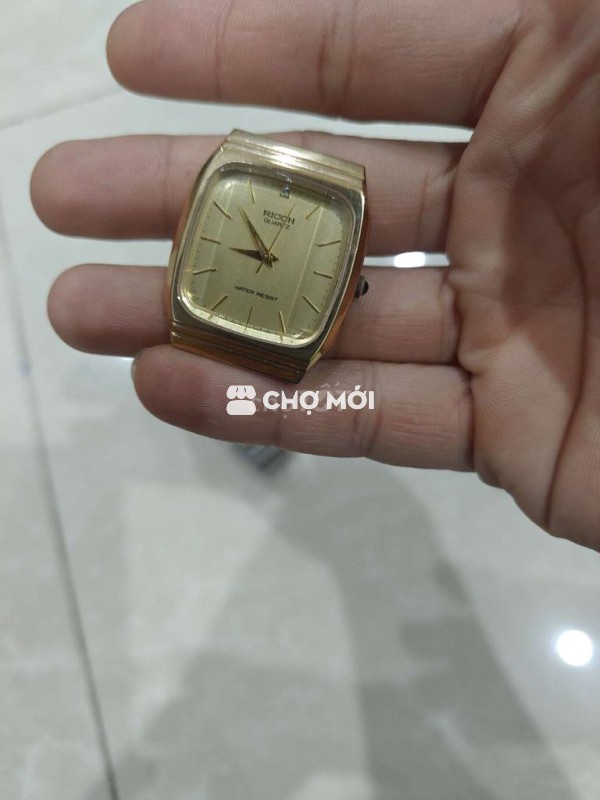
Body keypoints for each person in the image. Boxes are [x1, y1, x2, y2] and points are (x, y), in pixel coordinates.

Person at [30, 0, 600, 550]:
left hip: (280, 330)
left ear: (355, 286)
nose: (265, 258)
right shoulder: (233, 176)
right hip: (222, 308)